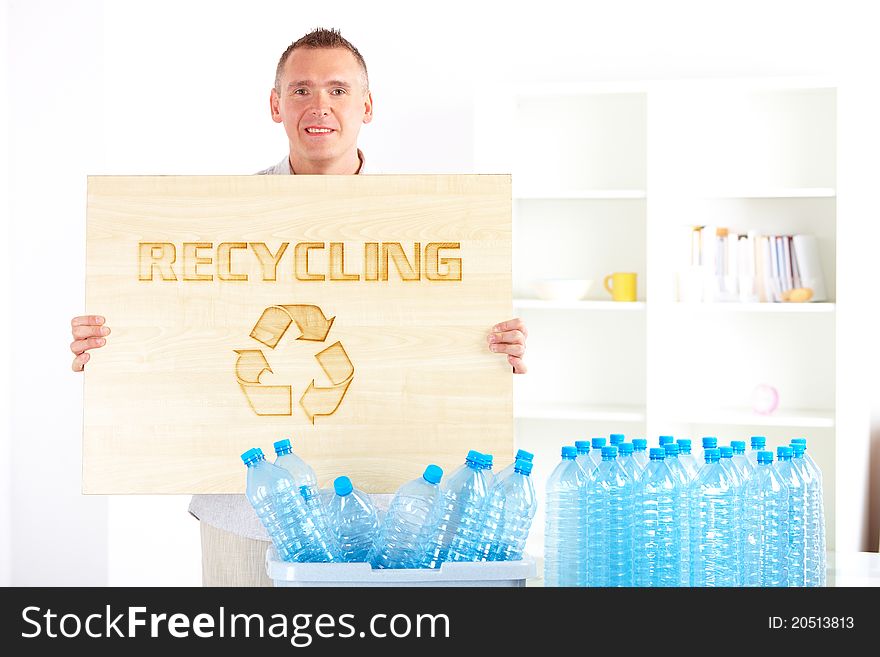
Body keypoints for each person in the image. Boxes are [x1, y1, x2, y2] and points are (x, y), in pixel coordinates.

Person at [69, 28, 528, 586]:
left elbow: (430, 340)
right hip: (247, 515)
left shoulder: (427, 221)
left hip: (381, 513)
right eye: (301, 90)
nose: (320, 107)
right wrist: (116, 343)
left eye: (338, 90)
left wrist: (492, 349)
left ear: (367, 105)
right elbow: (179, 327)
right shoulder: (210, 219)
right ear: (275, 104)